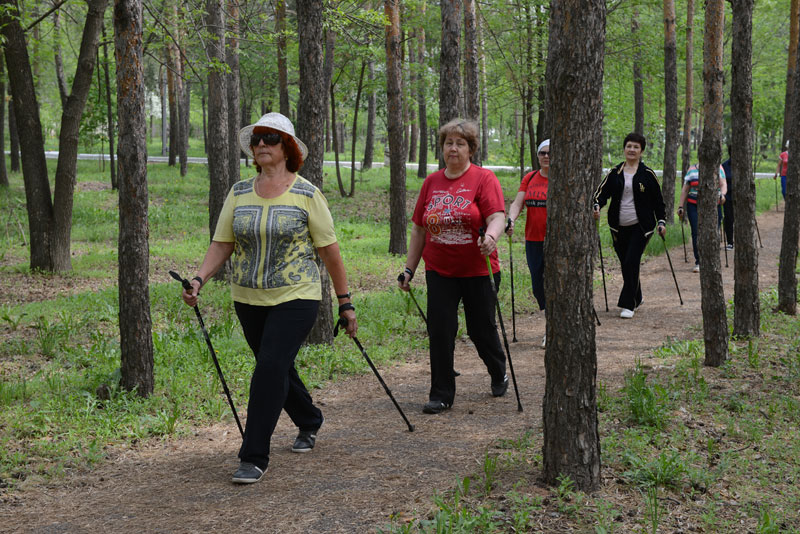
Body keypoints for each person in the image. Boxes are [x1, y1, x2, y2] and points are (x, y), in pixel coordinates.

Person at [181, 112, 357, 485]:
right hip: (247, 298)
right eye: (258, 138)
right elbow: (222, 243)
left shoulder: (307, 194)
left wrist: (345, 302)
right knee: (274, 366)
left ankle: (253, 455)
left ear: (287, 148)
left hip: (297, 296)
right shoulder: (239, 192)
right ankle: (309, 420)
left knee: (268, 369)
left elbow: (330, 253)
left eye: (271, 138)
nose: (261, 144)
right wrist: (199, 278)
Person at [397, 118, 508, 415]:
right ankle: (441, 393)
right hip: (440, 270)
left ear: (470, 149)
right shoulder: (431, 183)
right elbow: (420, 229)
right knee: (441, 330)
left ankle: (499, 371)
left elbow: (497, 216)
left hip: (479, 269)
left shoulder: (484, 179)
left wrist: (492, 237)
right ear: (442, 148)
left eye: (460, 143)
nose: (453, 149)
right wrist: (409, 269)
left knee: (480, 330)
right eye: (449, 143)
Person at [593, 132, 666, 318]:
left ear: (641, 151)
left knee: (631, 261)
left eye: (636, 147)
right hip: (618, 226)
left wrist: (661, 221)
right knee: (626, 265)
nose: (631, 150)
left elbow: (658, 201)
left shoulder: (647, 175)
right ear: (624, 149)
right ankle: (638, 295)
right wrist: (597, 205)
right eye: (629, 146)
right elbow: (601, 194)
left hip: (642, 226)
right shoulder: (615, 172)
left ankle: (628, 304)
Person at [506, 139, 550, 348]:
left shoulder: (561, 179)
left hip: (556, 242)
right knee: (537, 284)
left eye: (550, 153)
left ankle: (551, 328)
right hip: (533, 240)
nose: (546, 157)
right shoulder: (530, 178)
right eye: (542, 153)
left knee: (555, 283)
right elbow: (518, 203)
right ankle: (550, 320)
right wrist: (511, 219)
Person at [677, 161, 727, 272]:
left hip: (713, 205)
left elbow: (723, 184)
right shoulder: (691, 170)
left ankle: (713, 260)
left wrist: (722, 195)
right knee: (696, 232)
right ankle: (699, 261)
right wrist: (680, 206)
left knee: (714, 231)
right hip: (694, 205)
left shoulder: (718, 167)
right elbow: (685, 189)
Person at [721, 148, 734, 249]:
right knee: (729, 218)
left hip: (741, 198)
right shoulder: (724, 165)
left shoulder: (743, 165)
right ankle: (730, 241)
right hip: (728, 196)